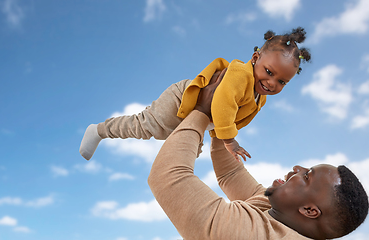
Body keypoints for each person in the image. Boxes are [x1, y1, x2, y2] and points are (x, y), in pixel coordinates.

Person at [148, 73, 369, 240]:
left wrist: (202, 110)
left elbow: (167, 177)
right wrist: (224, 116)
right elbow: (230, 173)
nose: (298, 168)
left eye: (307, 176)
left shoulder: (249, 235)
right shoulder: (277, 212)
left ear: (309, 211)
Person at [79, 27, 311, 162]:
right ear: (255, 58)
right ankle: (99, 130)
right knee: (144, 127)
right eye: (269, 72)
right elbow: (223, 103)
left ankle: (174, 177)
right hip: (182, 101)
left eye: (282, 81)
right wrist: (229, 140)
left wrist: (220, 137)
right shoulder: (241, 74)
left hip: (201, 119)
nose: (272, 83)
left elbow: (231, 117)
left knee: (189, 152)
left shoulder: (260, 96)